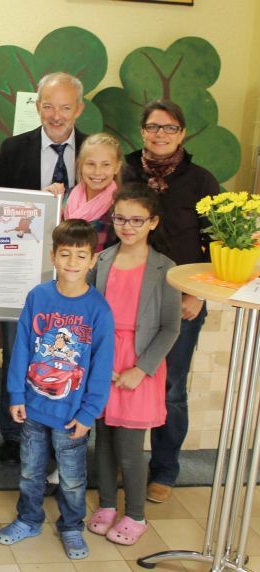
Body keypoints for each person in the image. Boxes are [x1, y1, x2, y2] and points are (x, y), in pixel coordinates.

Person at [0, 219, 114, 560]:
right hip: (33, 407)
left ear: (93, 260)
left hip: (72, 414)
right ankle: (29, 519)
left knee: (72, 478)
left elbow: (102, 366)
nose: (72, 262)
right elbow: (21, 349)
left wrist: (89, 413)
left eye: (81, 255)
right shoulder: (39, 296)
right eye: (65, 254)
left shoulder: (98, 309)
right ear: (53, 256)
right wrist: (17, 395)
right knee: (30, 471)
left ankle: (71, 526)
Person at [0, 72, 88, 467]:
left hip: (76, 275)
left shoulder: (92, 151)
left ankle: (63, 433)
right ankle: (13, 435)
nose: (56, 115)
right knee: (18, 352)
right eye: (48, 106)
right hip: (22, 273)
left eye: (65, 107)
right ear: (37, 107)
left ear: (79, 109)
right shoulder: (14, 149)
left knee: (68, 355)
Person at [120, 100, 219, 503]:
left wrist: (197, 293)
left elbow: (218, 243)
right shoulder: (125, 170)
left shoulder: (200, 180)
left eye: (170, 127)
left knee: (170, 387)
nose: (160, 134)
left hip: (181, 299)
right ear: (142, 130)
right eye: (153, 126)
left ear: (182, 133)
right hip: (127, 295)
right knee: (122, 377)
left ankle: (164, 469)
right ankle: (122, 460)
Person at [88, 184, 181, 546]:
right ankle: (107, 504)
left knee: (129, 447)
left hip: (139, 367)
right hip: (104, 360)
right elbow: (89, 313)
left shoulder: (165, 268)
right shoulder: (101, 260)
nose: (128, 226)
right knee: (104, 440)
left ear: (153, 222)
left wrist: (140, 369)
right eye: (121, 219)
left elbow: (170, 327)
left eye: (137, 220)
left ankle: (136, 514)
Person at [63, 133, 123, 252]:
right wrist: (47, 199)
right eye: (91, 164)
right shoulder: (64, 197)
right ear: (80, 165)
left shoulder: (121, 206)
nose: (97, 172)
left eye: (106, 165)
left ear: (117, 167)